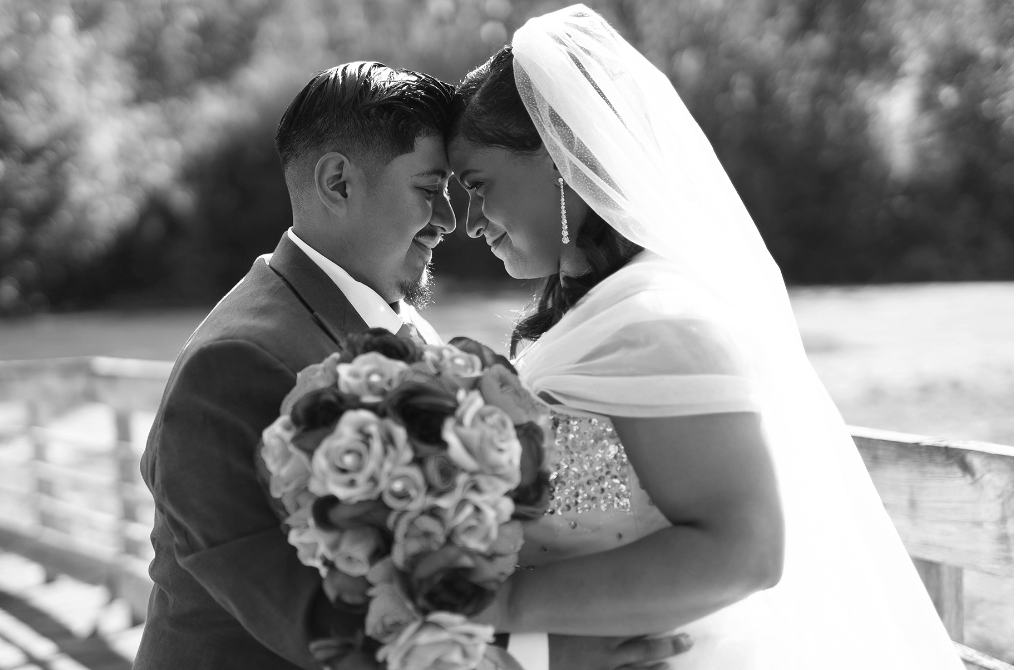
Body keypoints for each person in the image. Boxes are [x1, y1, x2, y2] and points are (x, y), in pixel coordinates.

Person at [446, 6, 966, 670]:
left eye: (478, 185)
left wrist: (505, 606)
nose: (469, 222)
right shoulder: (596, 316)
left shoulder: (660, 323)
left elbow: (744, 549)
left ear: (559, 158)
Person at [134, 60, 687, 670]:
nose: (450, 222)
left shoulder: (397, 323)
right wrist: (542, 652)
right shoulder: (234, 368)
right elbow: (313, 621)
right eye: (429, 190)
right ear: (339, 182)